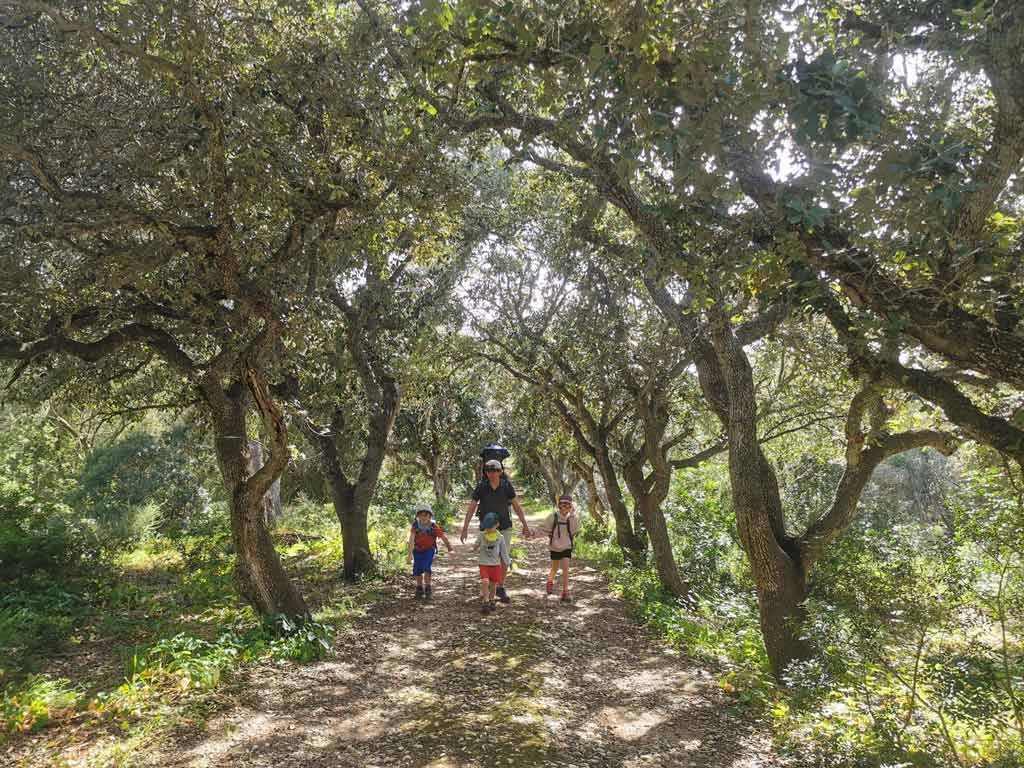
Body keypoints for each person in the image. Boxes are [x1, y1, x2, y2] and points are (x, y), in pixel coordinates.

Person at [460, 458, 532, 603]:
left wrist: (525, 524)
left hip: (504, 526)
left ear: (500, 472)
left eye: (495, 471)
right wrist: (465, 527)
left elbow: (516, 506)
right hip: (486, 529)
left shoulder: (506, 486)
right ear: (485, 473)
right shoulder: (481, 487)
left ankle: (500, 586)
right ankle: (488, 586)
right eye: (489, 471)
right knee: (487, 557)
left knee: (504, 557)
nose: (492, 473)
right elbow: (472, 506)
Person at [538, 493, 581, 602]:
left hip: (567, 546)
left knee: (566, 568)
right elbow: (543, 529)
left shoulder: (572, 517)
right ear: (559, 505)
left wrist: (573, 515)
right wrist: (532, 533)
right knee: (555, 568)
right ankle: (550, 581)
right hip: (555, 547)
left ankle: (565, 592)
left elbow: (575, 530)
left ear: (571, 506)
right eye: (563, 504)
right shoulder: (553, 517)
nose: (566, 507)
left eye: (568, 505)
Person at [407, 503, 453, 598]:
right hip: (417, 550)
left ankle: (428, 587)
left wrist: (449, 548)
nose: (423, 517)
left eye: (426, 515)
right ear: (418, 516)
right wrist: (409, 555)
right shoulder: (415, 525)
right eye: (421, 515)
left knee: (426, 567)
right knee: (417, 568)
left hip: (429, 550)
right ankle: (419, 587)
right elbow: (411, 540)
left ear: (430, 516)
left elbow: (443, 537)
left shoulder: (433, 526)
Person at [475, 512, 511, 614]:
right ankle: (485, 602)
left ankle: (491, 600)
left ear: (497, 525)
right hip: (484, 563)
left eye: (490, 527)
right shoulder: (482, 535)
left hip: (495, 565)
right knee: (485, 582)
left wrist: (508, 562)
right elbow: (476, 544)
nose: (488, 529)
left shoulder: (500, 537)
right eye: (486, 527)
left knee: (493, 585)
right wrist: (474, 548)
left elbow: (504, 552)